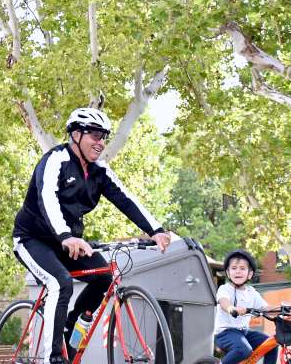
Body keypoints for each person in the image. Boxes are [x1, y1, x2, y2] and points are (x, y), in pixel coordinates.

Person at [12, 107, 172, 364]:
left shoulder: (99, 170)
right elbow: (47, 200)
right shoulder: (56, 160)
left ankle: (70, 326)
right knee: (59, 283)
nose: (101, 143)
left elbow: (126, 199)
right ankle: (51, 358)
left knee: (104, 277)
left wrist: (156, 230)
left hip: (69, 243)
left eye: (104, 137)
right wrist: (66, 236)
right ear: (76, 134)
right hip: (33, 239)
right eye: (95, 136)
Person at [213, 250, 275, 364]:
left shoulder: (251, 292)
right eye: (234, 268)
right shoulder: (225, 289)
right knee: (244, 350)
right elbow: (223, 302)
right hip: (225, 333)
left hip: (244, 332)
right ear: (227, 272)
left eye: (242, 268)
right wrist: (232, 309)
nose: (238, 271)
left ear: (250, 274)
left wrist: (284, 309)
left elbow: (266, 308)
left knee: (271, 343)